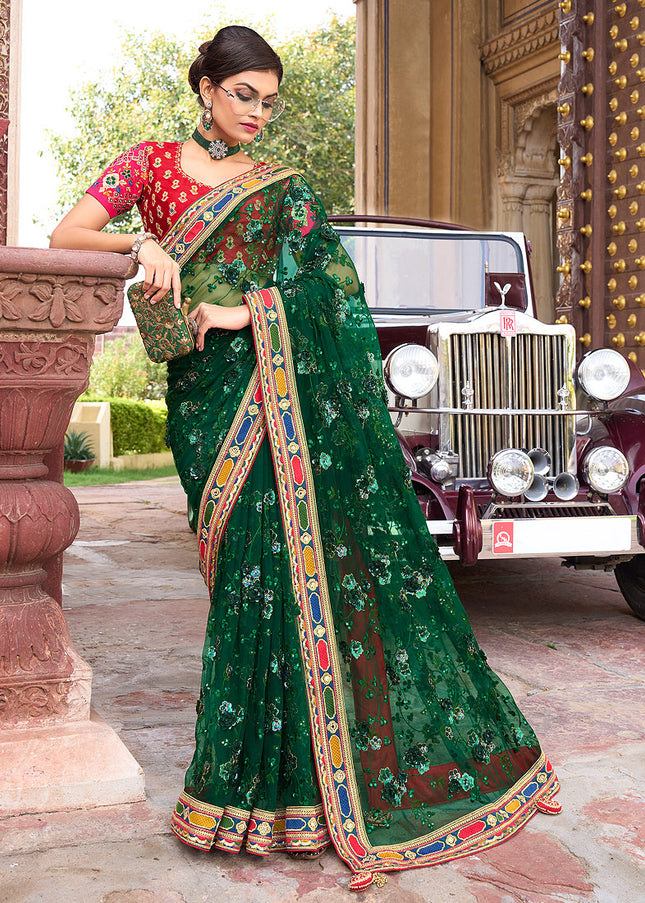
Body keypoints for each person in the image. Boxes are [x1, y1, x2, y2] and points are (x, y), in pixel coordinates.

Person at [50, 25, 561, 891]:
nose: (259, 113)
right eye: (244, 94)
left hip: (274, 384)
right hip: (208, 404)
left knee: (286, 571)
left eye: (271, 100)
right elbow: (69, 235)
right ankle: (260, 782)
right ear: (206, 88)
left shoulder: (283, 189)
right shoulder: (148, 164)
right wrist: (144, 245)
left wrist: (249, 313)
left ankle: (291, 789)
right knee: (241, 573)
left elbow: (330, 286)